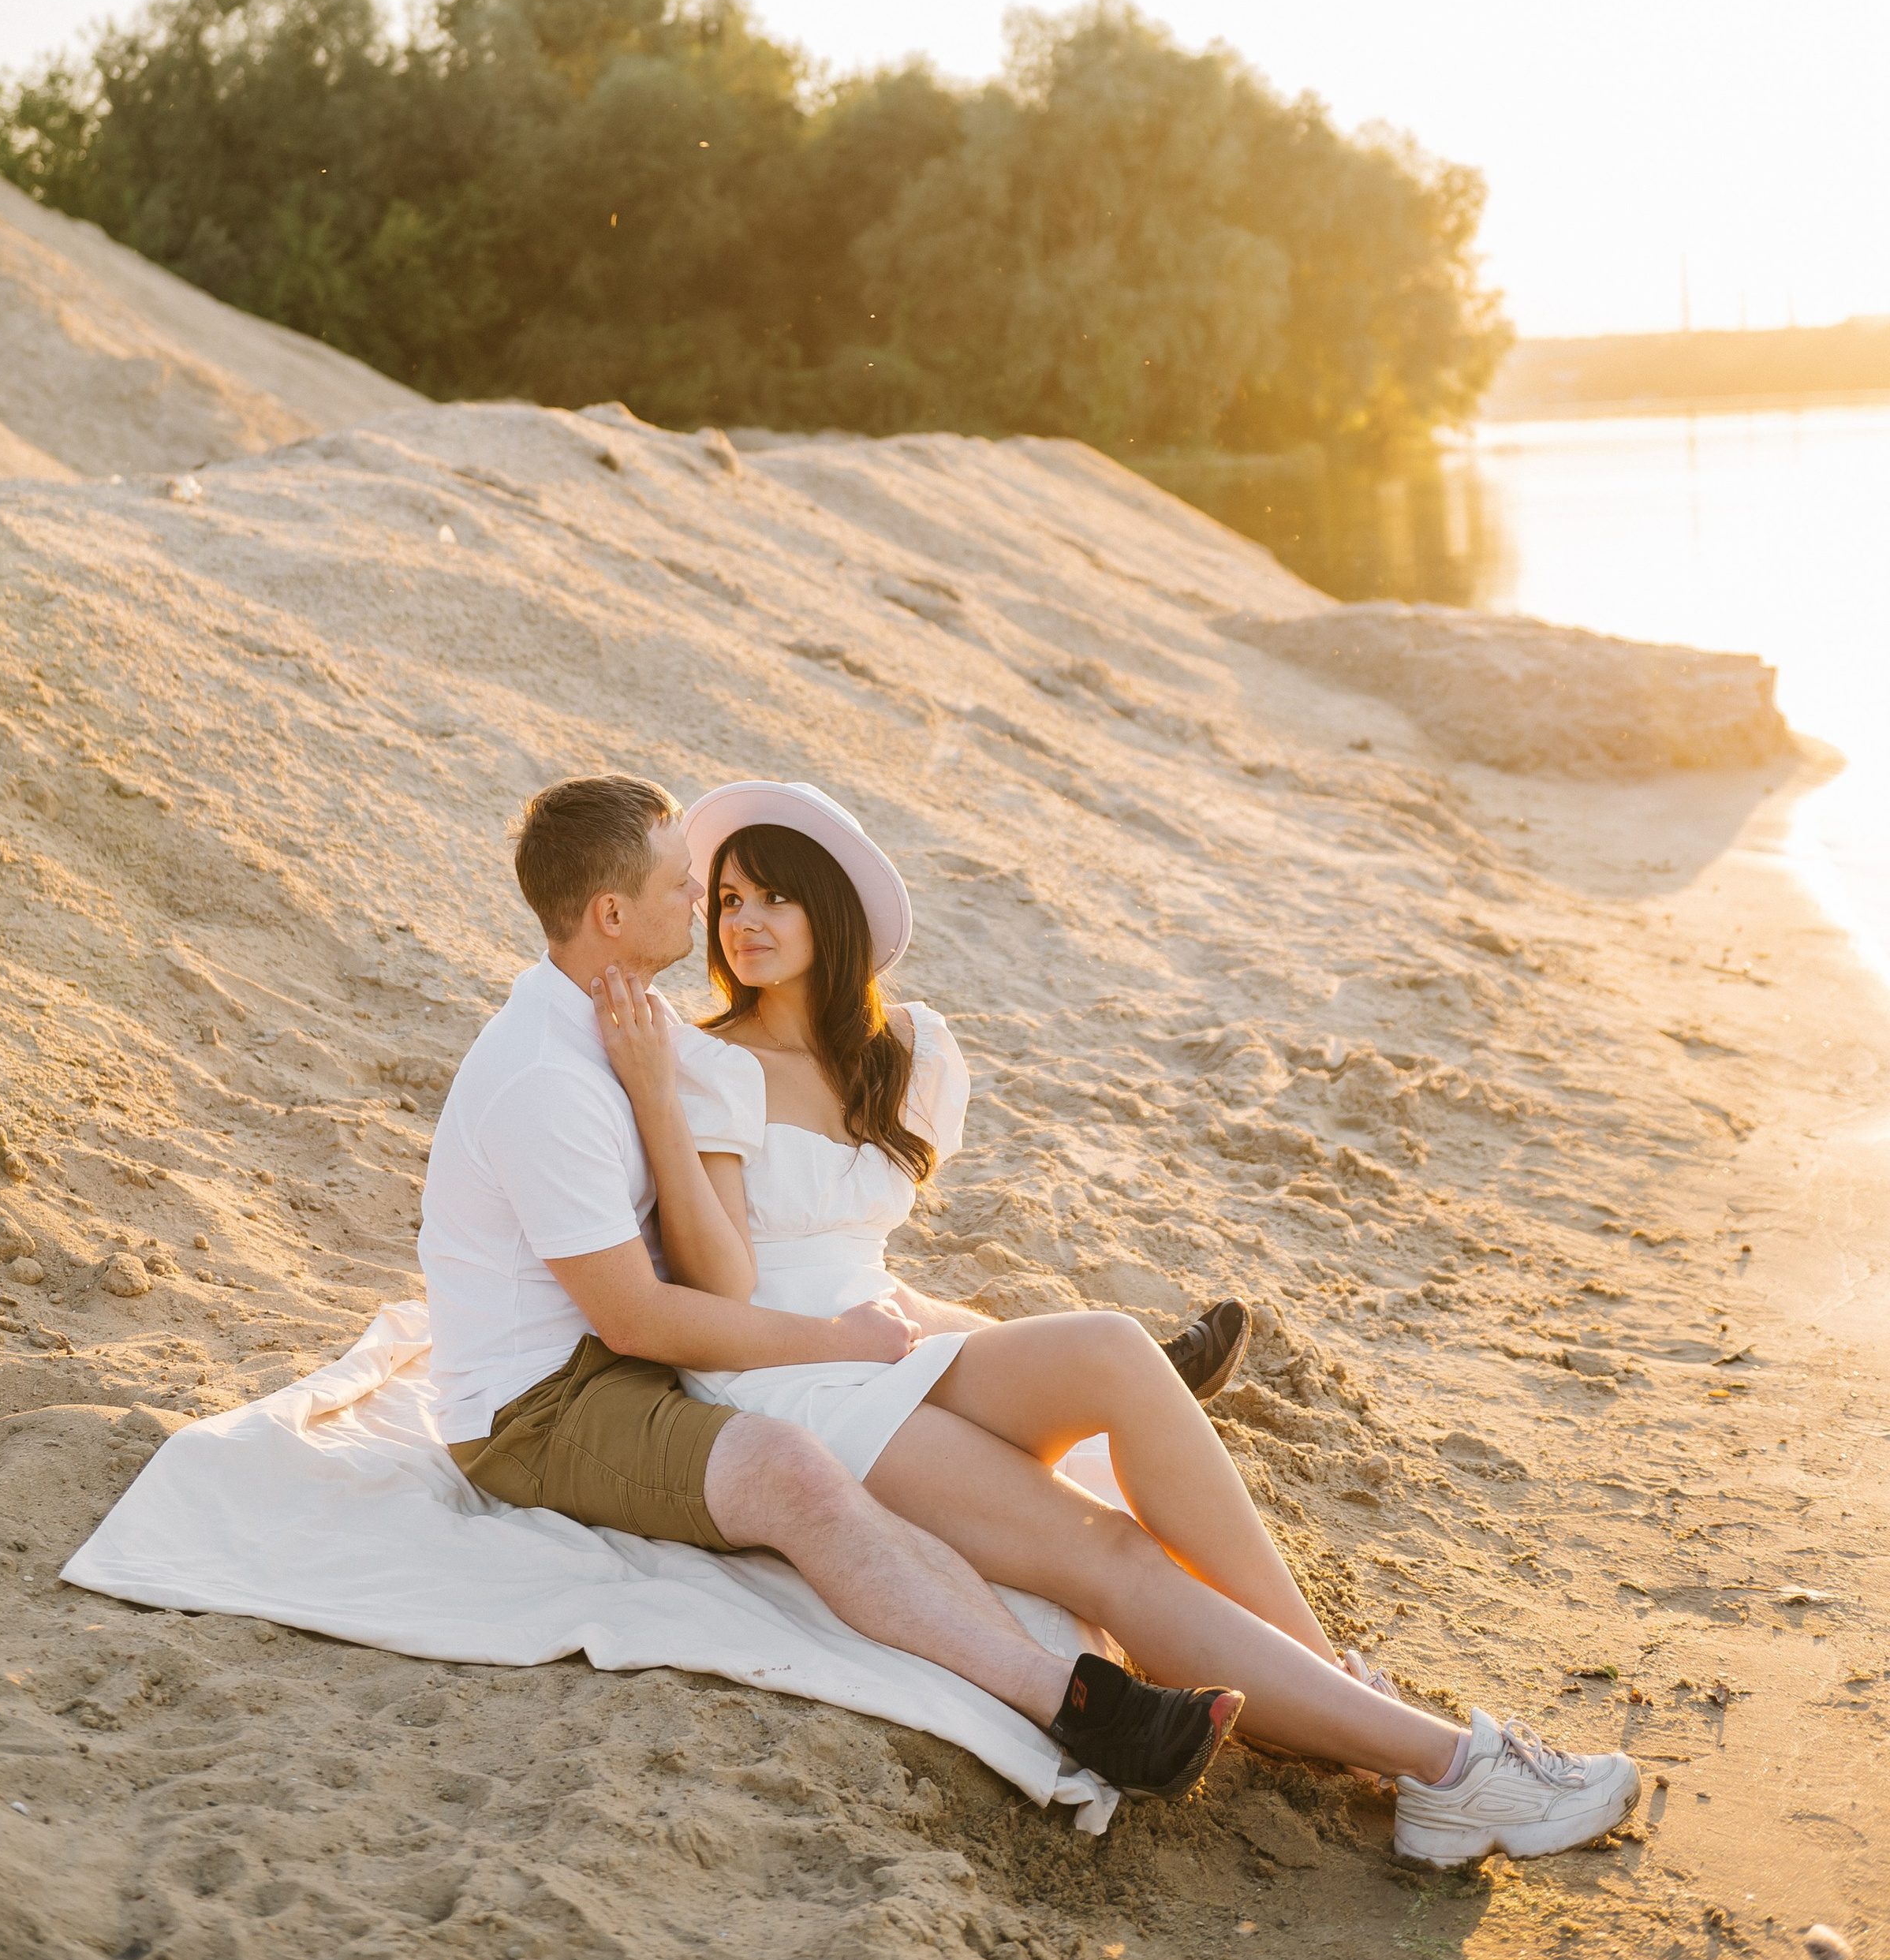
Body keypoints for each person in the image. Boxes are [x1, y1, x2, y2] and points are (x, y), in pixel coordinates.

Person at [422, 773, 1640, 1861]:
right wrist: (674, 1113)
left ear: (830, 916)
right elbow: (703, 1290)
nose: (728, 918)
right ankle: (1444, 1769)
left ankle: (1325, 1677)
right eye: (714, 894)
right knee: (1102, 1551)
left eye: (760, 896)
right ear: (626, 911)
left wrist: (908, 1325)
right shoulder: (676, 1061)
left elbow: (838, 1256)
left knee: (1112, 1346)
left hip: (876, 1336)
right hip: (794, 1379)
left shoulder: (863, 1050)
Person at [417, 774, 1237, 1803]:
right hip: (541, 1404)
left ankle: (1102, 1382)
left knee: (893, 1332)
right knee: (795, 1472)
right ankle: (1073, 1701)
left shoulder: (626, 1015)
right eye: (687, 886)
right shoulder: (549, 1076)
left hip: (625, 1345)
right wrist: (835, 1345)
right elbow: (635, 1319)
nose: (706, 902)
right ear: (612, 915)